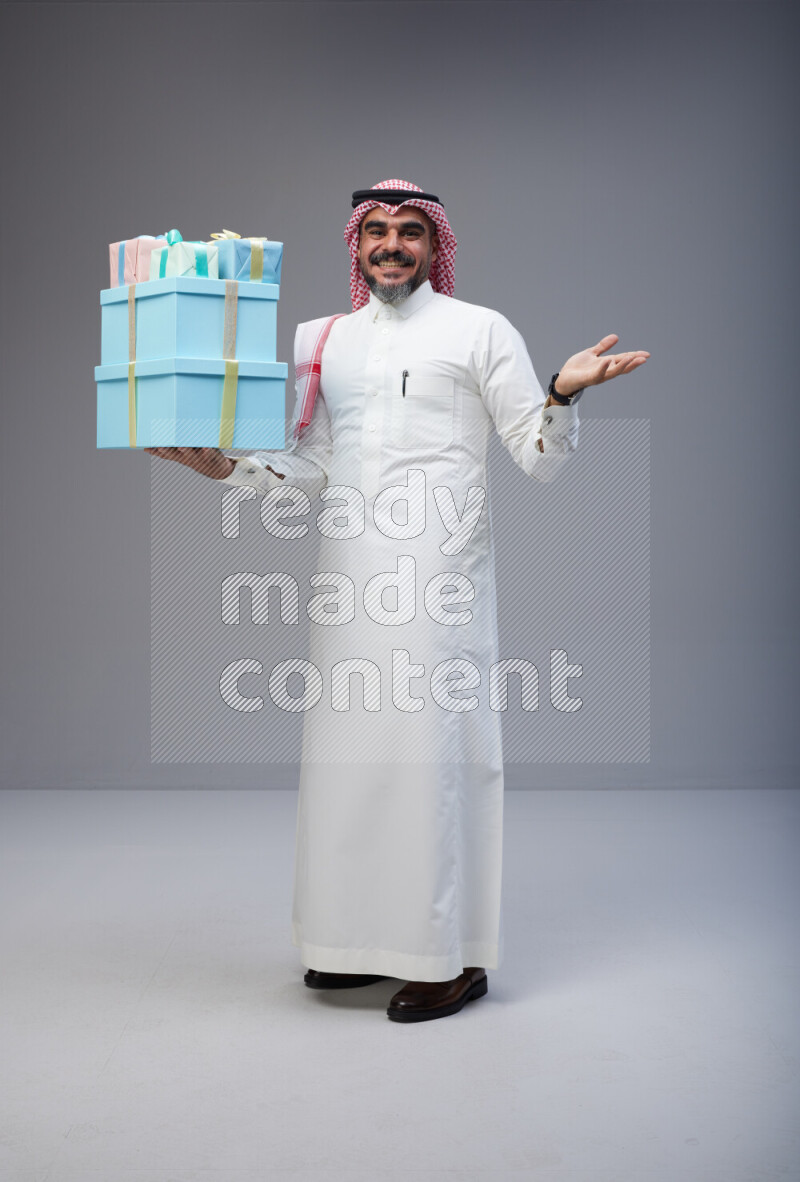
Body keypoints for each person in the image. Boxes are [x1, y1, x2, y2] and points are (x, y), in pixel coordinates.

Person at [146, 178, 649, 1023]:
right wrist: (225, 467)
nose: (391, 245)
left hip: (439, 577)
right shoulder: (322, 338)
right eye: (376, 230)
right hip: (348, 575)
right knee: (349, 763)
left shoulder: (479, 330)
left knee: (432, 762)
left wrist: (564, 393)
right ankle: (351, 947)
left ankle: (447, 959)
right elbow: (308, 468)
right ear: (355, 243)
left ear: (434, 244)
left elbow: (540, 457)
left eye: (410, 231)